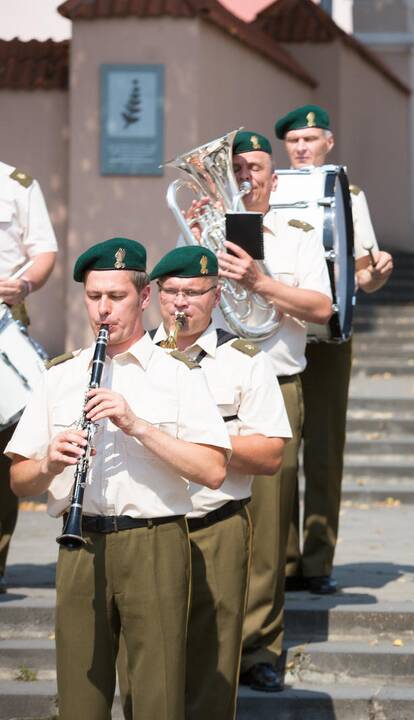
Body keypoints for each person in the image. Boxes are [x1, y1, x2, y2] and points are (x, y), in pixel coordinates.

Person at [5, 237, 231, 719]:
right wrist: (49, 462)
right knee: (80, 698)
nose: (103, 310)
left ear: (144, 297)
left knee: (157, 697)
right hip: (80, 545)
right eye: (94, 297)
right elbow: (20, 480)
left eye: (117, 297)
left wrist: (137, 426)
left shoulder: (178, 374)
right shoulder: (60, 376)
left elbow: (213, 470)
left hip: (155, 543)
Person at [148, 246, 291, 718]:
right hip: (145, 529)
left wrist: (202, 442)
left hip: (215, 525)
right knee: (148, 664)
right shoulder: (135, 360)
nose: (180, 303)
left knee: (213, 668)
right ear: (153, 296)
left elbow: (271, 453)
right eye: (171, 293)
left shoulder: (246, 360)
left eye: (193, 293)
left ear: (216, 296)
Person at [221, 131, 333, 692]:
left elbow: (321, 305)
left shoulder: (298, 230)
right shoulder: (207, 228)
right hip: (213, 385)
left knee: (267, 527)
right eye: (235, 166)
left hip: (276, 380)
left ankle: (260, 646)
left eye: (255, 166)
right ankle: (213, 639)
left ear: (275, 175)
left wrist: (261, 283)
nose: (245, 174)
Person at [272, 104, 394, 596]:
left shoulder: (348, 194)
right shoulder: (270, 190)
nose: (301, 148)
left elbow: (361, 271)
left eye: (310, 139)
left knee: (323, 447)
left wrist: (377, 276)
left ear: (329, 142)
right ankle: (279, 561)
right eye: (294, 141)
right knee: (277, 448)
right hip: (277, 330)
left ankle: (318, 560)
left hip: (327, 334)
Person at [0, 160, 58, 594]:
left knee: (4, 451)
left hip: (4, 323)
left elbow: (44, 252)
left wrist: (24, 285)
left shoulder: (16, 183)